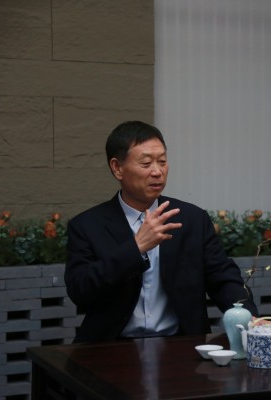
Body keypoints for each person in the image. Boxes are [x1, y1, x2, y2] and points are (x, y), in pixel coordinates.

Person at [65, 120, 258, 343]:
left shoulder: (192, 219)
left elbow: (222, 277)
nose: (157, 172)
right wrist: (135, 248)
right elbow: (80, 291)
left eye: (162, 162)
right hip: (111, 347)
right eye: (146, 163)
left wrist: (248, 316)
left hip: (181, 345)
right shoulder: (87, 225)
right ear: (117, 168)